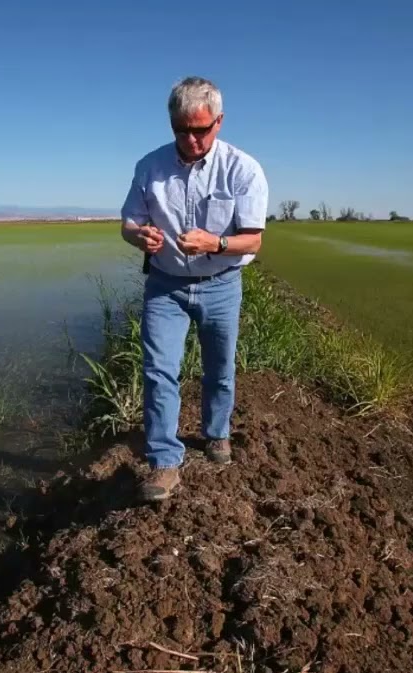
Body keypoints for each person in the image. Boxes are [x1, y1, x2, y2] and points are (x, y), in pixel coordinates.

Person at [119, 76, 269, 502]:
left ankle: (217, 433)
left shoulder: (243, 169)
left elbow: (253, 240)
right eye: (181, 130)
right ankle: (165, 462)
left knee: (219, 369)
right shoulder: (149, 167)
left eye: (200, 130)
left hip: (222, 283)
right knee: (158, 370)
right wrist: (139, 236)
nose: (191, 139)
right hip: (165, 285)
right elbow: (129, 224)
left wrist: (216, 243)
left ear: (218, 122)